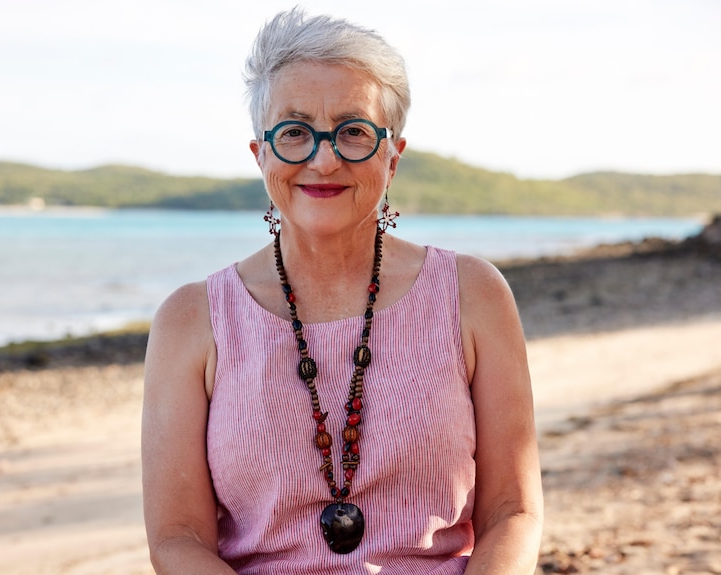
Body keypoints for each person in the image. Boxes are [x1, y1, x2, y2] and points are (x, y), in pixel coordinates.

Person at [141, 8, 543, 574]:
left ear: (392, 156)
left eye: (353, 130)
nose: (323, 158)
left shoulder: (473, 295)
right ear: (261, 155)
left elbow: (513, 512)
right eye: (294, 131)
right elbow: (178, 541)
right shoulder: (191, 319)